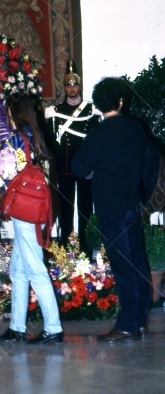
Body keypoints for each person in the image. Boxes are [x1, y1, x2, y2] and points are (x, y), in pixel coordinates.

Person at [72, 77, 150, 343]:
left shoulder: (97, 134)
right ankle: (139, 323)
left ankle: (127, 325)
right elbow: (150, 164)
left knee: (123, 266)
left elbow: (79, 168)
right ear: (120, 100)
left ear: (98, 105)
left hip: (109, 208)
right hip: (133, 205)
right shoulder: (136, 129)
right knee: (138, 263)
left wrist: (97, 171)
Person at [0, 94, 63, 344]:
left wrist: (1, 191)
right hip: (38, 207)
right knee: (18, 269)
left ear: (14, 112)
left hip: (25, 211)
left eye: (8, 111)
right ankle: (17, 327)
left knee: (34, 268)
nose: (6, 116)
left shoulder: (15, 139)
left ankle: (53, 328)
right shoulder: (36, 136)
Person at [44, 60, 101, 253]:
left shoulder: (91, 110)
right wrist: (58, 154)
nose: (72, 88)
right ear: (64, 87)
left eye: (75, 84)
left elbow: (95, 138)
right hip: (65, 164)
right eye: (68, 85)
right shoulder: (56, 111)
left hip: (85, 166)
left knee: (86, 208)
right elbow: (50, 139)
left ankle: (86, 249)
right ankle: (66, 248)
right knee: (66, 209)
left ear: (79, 86)